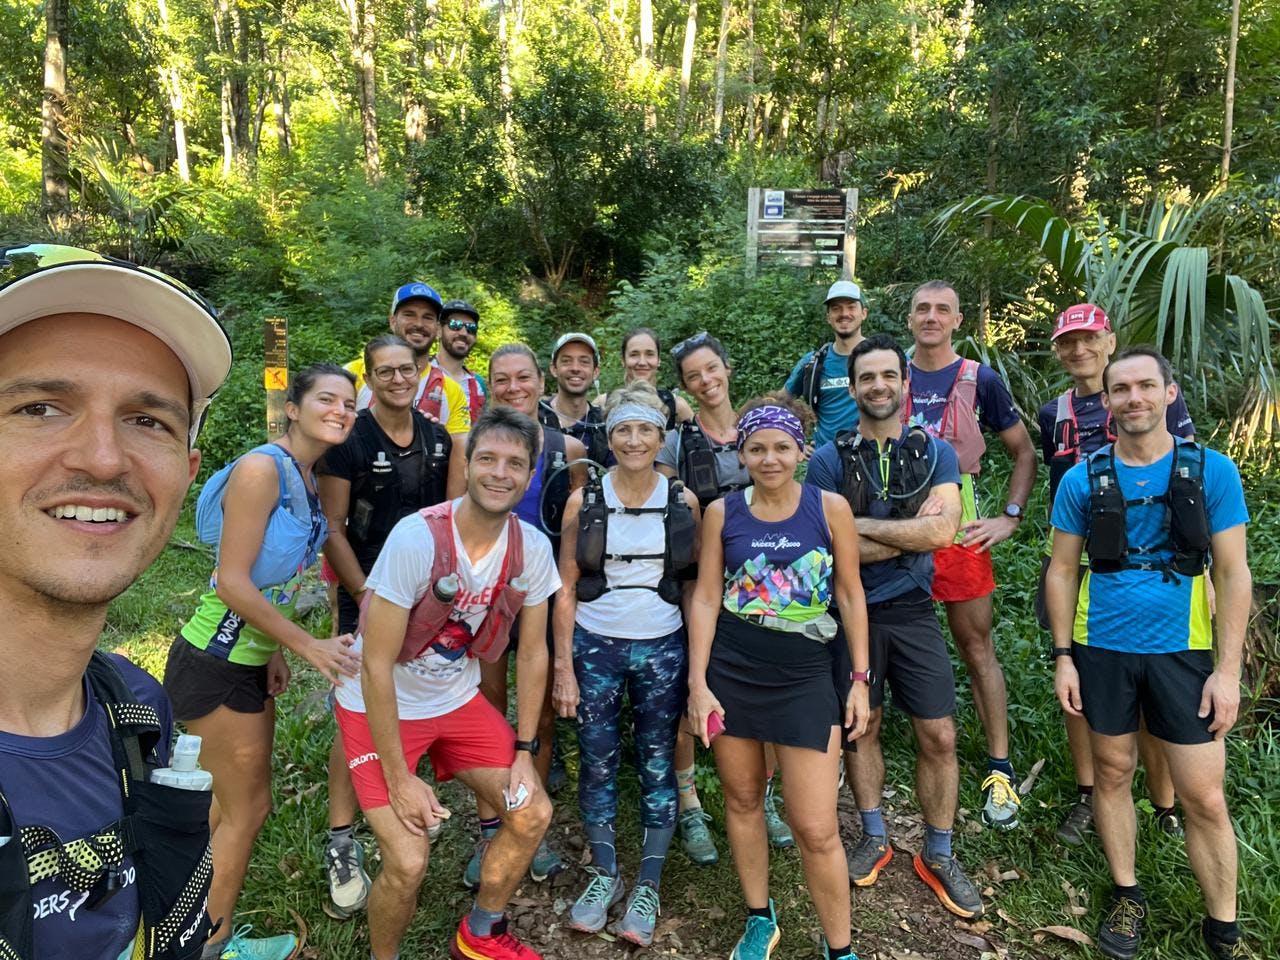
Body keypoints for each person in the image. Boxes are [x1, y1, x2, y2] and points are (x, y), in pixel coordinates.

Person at [0, 244, 229, 960]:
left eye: (147, 420)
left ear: (186, 474)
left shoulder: (136, 712)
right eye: (39, 407)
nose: (102, 459)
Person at [1046, 347, 1250, 960]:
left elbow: (1234, 572)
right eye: (1119, 390)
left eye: (1144, 386)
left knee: (1203, 794)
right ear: (1105, 402)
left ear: (1168, 393)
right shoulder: (1085, 478)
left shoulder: (1211, 471)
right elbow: (1060, 569)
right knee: (1111, 772)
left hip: (1183, 650)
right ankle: (1128, 893)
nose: (1132, 398)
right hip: (1102, 645)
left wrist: (1228, 672)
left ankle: (1224, 929)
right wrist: (1063, 656)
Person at [336, 406, 559, 960]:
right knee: (409, 861)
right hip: (376, 707)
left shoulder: (531, 548)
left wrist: (526, 750)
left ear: (530, 476)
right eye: (487, 458)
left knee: (531, 812)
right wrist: (399, 777)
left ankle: (480, 935)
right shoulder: (417, 539)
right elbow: (375, 665)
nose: (499, 473)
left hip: (453, 701)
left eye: (515, 463)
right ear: (467, 463)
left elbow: (532, 653)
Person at [165, 363, 361, 960]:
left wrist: (273, 649)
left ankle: (183, 923)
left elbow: (270, 579)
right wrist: (307, 646)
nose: (342, 410)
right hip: (214, 659)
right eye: (327, 398)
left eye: (350, 403)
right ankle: (210, 944)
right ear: (294, 408)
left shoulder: (307, 475)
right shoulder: (260, 469)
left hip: (249, 660)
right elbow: (231, 583)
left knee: (226, 806)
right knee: (248, 810)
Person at [806, 334, 983, 920]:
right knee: (864, 726)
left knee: (939, 735)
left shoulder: (936, 453)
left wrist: (860, 531)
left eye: (888, 375)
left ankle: (938, 850)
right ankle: (875, 835)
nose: (878, 385)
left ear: (905, 384)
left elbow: (941, 534)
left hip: (911, 610)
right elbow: (828, 547)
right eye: (866, 377)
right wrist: (899, 536)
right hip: (847, 610)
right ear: (852, 387)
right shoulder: (828, 459)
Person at [687, 398, 871, 960]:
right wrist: (698, 683)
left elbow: (848, 592)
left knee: (815, 827)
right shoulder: (722, 512)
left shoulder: (829, 506)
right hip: (734, 667)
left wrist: (860, 677)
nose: (769, 459)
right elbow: (707, 596)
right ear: (741, 452)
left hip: (806, 670)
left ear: (801, 452)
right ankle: (759, 917)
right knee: (742, 800)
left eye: (781, 447)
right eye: (757, 448)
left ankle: (839, 947)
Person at [316, 334, 467, 919]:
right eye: (385, 372)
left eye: (407, 369)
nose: (398, 379)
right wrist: (362, 594)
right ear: (369, 379)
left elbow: (448, 517)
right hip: (367, 590)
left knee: (408, 697)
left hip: (426, 596)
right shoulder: (350, 439)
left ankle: (401, 808)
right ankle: (341, 837)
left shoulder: (435, 434)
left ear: (421, 370)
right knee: (353, 707)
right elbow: (333, 526)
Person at [1035, 305, 1194, 846]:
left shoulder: (1144, 396)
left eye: (1088, 339)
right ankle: (1089, 792)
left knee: (1154, 682)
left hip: (1157, 565)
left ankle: (1164, 799)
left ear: (1109, 340)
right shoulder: (1051, 411)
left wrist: (1207, 579)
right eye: (1067, 342)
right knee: (1080, 682)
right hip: (1075, 561)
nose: (1078, 351)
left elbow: (1188, 476)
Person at [551, 383, 701, 946]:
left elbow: (693, 591)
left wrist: (696, 671)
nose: (633, 441)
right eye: (622, 430)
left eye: (644, 430)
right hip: (596, 645)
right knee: (597, 758)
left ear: (660, 437)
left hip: (662, 644)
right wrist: (563, 666)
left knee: (659, 760)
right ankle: (606, 873)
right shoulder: (584, 500)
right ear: (608, 438)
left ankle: (650, 882)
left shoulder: (682, 501)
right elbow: (565, 588)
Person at [904, 280, 1037, 829]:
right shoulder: (888, 370)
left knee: (976, 645)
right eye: (922, 309)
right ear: (909, 318)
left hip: (961, 534)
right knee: (876, 642)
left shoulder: (978, 378)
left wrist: (1009, 516)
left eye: (942, 310)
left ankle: (999, 770)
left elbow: (1024, 451)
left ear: (958, 320)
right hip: (894, 534)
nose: (931, 317)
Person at [464, 344, 588, 886]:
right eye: (501, 379)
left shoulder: (568, 446)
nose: (513, 387)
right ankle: (491, 825)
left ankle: (529, 820)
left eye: (523, 378)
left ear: (542, 381)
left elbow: (576, 541)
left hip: (540, 594)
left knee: (535, 717)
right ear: (489, 386)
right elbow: (454, 521)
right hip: (484, 597)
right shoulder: (471, 444)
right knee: (487, 709)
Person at [343, 282, 471, 437]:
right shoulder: (351, 374)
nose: (418, 324)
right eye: (409, 314)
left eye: (428, 317)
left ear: (438, 329)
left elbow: (460, 453)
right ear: (393, 321)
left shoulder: (452, 392)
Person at [782, 280, 867, 446]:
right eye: (836, 308)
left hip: (871, 459)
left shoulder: (883, 356)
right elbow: (779, 403)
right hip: (826, 460)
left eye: (851, 307)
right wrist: (795, 442)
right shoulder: (813, 362)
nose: (844, 313)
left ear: (863, 313)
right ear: (828, 317)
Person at [593, 328, 694, 430]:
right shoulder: (602, 404)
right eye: (634, 355)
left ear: (658, 360)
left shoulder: (677, 407)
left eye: (649, 354)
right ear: (623, 360)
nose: (642, 362)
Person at [538, 332, 609, 468]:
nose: (575, 368)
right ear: (554, 369)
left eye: (584, 362)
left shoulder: (604, 425)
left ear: (595, 372)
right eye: (566, 361)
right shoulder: (536, 418)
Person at [435, 299, 488, 422]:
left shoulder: (478, 383)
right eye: (455, 325)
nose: (463, 333)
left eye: (471, 328)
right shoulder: (420, 373)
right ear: (439, 330)